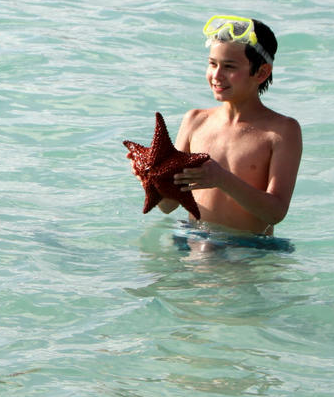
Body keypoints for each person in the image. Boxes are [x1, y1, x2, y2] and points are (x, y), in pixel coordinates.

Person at [129, 15, 302, 238]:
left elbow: (275, 213)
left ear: (261, 72)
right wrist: (148, 177)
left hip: (249, 249)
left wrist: (222, 179)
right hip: (191, 239)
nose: (217, 75)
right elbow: (168, 205)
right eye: (212, 64)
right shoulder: (195, 121)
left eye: (229, 67)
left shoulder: (281, 131)